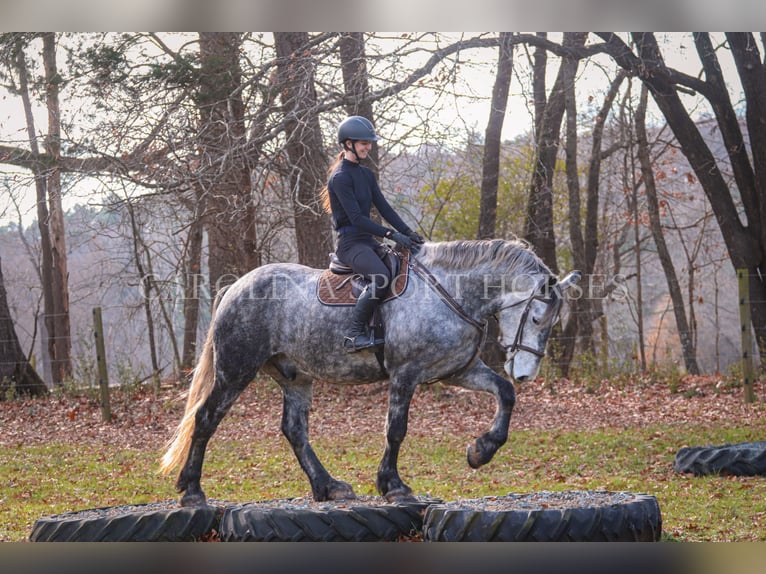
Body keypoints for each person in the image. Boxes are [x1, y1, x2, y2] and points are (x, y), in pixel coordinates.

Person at [320, 115, 425, 352]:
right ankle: (355, 333)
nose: (368, 147)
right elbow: (357, 219)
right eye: (363, 143)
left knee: (402, 268)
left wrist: (408, 233)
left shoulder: (366, 174)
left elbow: (384, 207)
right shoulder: (340, 178)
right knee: (381, 277)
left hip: (367, 241)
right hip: (350, 245)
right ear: (348, 144)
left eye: (369, 143)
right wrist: (390, 234)